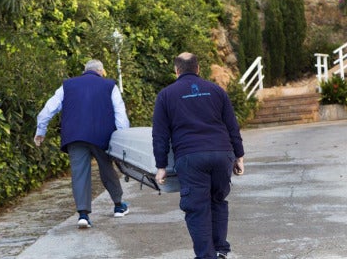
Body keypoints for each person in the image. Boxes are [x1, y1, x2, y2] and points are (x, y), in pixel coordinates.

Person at [152, 52, 245, 259]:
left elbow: (160, 134)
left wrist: (161, 167)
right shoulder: (216, 91)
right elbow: (232, 125)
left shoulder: (166, 95)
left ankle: (206, 256)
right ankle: (220, 251)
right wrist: (239, 156)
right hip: (222, 154)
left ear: (176, 71)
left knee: (197, 208)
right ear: (198, 69)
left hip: (190, 157)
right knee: (218, 201)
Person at [34, 59, 130, 229]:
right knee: (107, 170)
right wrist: (123, 137)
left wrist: (41, 132)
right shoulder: (109, 85)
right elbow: (120, 114)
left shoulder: (67, 86)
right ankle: (118, 206)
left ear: (85, 71)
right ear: (100, 71)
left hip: (75, 136)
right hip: (102, 136)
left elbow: (47, 110)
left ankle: (83, 215)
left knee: (79, 174)